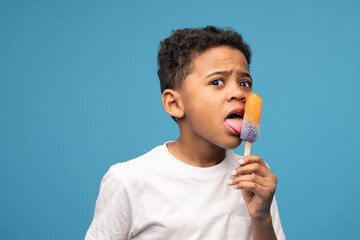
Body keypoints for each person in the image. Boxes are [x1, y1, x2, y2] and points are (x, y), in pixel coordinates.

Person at [85, 26, 285, 240]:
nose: (238, 92)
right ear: (174, 103)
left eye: (244, 83)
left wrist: (261, 217)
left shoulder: (254, 177)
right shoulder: (128, 181)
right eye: (217, 82)